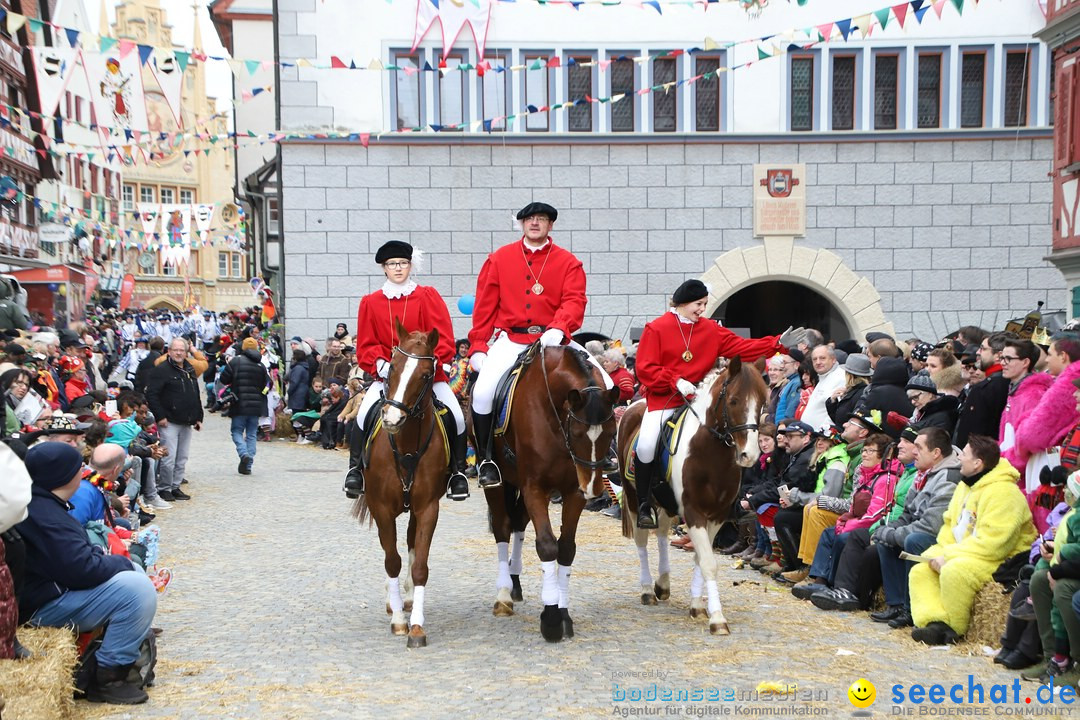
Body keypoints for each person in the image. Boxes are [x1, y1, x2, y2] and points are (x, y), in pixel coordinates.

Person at [467, 202, 617, 491]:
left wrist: (559, 327)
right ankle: (487, 460)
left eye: (542, 219)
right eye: (530, 219)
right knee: (483, 394)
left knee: (606, 383)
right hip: (512, 339)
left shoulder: (568, 261)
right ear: (522, 224)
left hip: (554, 339)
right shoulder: (499, 259)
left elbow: (575, 299)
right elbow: (485, 306)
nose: (535, 223)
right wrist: (478, 345)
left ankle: (604, 453)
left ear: (551, 226)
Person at [633, 279, 800, 529]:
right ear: (682, 303)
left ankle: (728, 500)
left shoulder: (711, 329)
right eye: (698, 304)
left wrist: (775, 343)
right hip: (665, 398)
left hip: (701, 398)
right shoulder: (656, 328)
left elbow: (742, 347)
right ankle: (644, 503)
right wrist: (674, 380)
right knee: (646, 445)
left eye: (704, 304)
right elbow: (644, 367)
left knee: (731, 435)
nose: (702, 309)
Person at [17, 442, 157, 704]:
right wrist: (118, 562)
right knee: (137, 590)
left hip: (48, 590)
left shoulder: (41, 502)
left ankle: (116, 651)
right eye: (77, 469)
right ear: (64, 477)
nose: (83, 473)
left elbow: (75, 561)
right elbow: (81, 570)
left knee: (135, 571)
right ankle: (109, 677)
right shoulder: (46, 514)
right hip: (39, 605)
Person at [350, 240, 469, 501]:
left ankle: (459, 473)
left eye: (403, 263)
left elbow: (444, 336)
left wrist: (435, 359)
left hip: (426, 375)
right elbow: (366, 344)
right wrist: (379, 364)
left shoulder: (427, 296)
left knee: (457, 416)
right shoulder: (370, 302)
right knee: (363, 416)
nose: (398, 268)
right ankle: (355, 471)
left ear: (410, 265)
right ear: (384, 268)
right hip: (389, 377)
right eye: (392, 264)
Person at [908, 435, 1037, 645]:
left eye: (964, 455)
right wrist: (940, 551)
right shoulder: (966, 485)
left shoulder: (1005, 492)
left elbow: (994, 543)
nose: (959, 458)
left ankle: (953, 629)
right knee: (921, 569)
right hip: (967, 552)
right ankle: (934, 623)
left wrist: (949, 556)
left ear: (977, 463)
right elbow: (949, 524)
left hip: (1000, 558)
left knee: (955, 572)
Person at [1025, 472, 1080, 685]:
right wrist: (1051, 548)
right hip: (1071, 566)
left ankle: (1075, 662)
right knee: (1038, 580)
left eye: (1069, 490)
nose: (1064, 492)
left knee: (1065, 589)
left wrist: (1061, 563)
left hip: (1072, 570)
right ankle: (1053, 658)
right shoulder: (1071, 513)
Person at [145, 339, 204, 502]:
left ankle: (175, 486)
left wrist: (199, 416)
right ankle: (165, 488)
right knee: (168, 458)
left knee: (182, 457)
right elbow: (152, 394)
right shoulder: (162, 370)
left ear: (186, 352)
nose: (179, 353)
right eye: (175, 350)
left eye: (182, 350)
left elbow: (195, 393)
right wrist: (160, 416)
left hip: (187, 420)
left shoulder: (190, 369)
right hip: (169, 420)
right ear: (169, 351)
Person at [219, 337, 270, 475]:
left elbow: (224, 379)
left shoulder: (236, 361)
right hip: (256, 405)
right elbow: (266, 385)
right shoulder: (261, 365)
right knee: (252, 433)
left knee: (236, 431)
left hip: (239, 403)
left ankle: (243, 454)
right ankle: (248, 464)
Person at [954, 332, 1012, 449]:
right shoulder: (1005, 382)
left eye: (983, 349)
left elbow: (974, 432)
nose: (977, 352)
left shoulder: (988, 387)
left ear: (998, 356)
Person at [800, 346, 845, 431]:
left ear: (833, 359)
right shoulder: (822, 377)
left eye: (822, 358)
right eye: (814, 359)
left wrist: (823, 433)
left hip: (823, 437)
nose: (818, 362)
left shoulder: (840, 377)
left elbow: (837, 411)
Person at [825, 353, 871, 428]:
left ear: (849, 375)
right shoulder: (855, 390)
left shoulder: (861, 393)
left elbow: (842, 420)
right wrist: (833, 401)